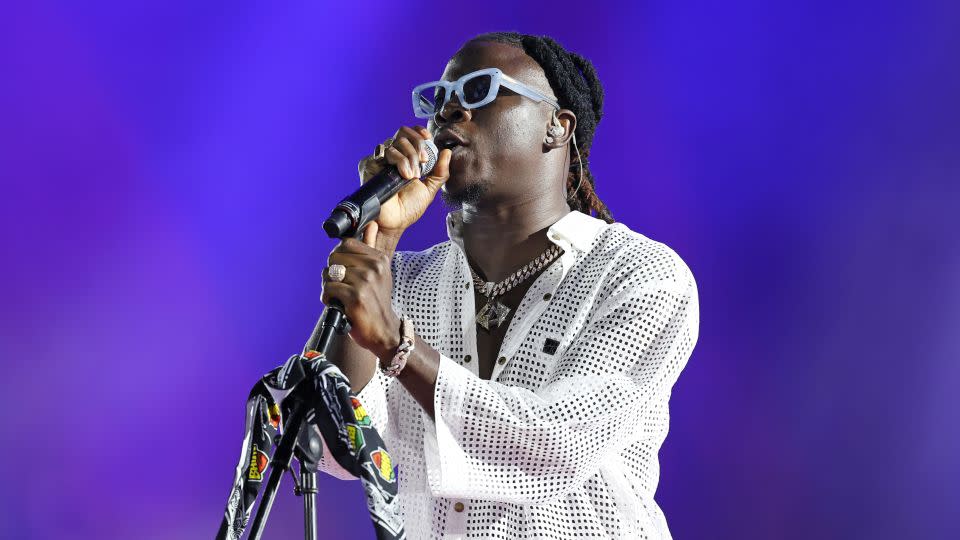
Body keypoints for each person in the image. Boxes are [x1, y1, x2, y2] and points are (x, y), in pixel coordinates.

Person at [317, 31, 699, 540]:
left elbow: (554, 443)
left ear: (556, 127)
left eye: (480, 90)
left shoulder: (640, 275)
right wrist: (380, 241)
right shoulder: (402, 280)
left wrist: (398, 346)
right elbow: (326, 444)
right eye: (442, 100)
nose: (449, 112)